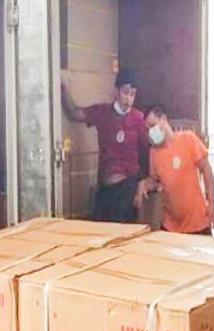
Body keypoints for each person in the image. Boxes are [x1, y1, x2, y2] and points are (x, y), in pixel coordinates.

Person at [62, 68, 150, 223]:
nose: (128, 99)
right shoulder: (102, 112)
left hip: (127, 192)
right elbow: (73, 113)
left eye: (132, 94)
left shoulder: (139, 119)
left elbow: (146, 155)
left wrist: (141, 186)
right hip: (105, 190)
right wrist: (60, 87)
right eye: (125, 92)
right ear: (116, 91)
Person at [134, 105, 214, 234]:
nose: (150, 132)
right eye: (148, 129)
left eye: (153, 126)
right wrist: (144, 184)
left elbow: (206, 169)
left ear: (163, 119)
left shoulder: (188, 139)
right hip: (170, 225)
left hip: (197, 222)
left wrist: (211, 202)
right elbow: (156, 180)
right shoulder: (153, 152)